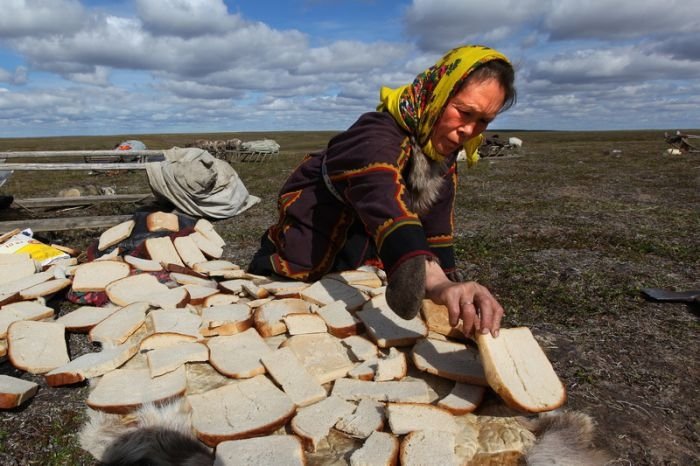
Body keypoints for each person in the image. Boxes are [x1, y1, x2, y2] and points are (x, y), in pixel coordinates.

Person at [248, 44, 516, 338]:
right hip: (303, 262)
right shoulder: (375, 135)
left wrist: (451, 286)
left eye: (484, 121)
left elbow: (436, 225)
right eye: (464, 112)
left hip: (358, 271)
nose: (469, 130)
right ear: (437, 94)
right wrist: (435, 281)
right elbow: (382, 196)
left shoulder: (441, 152)